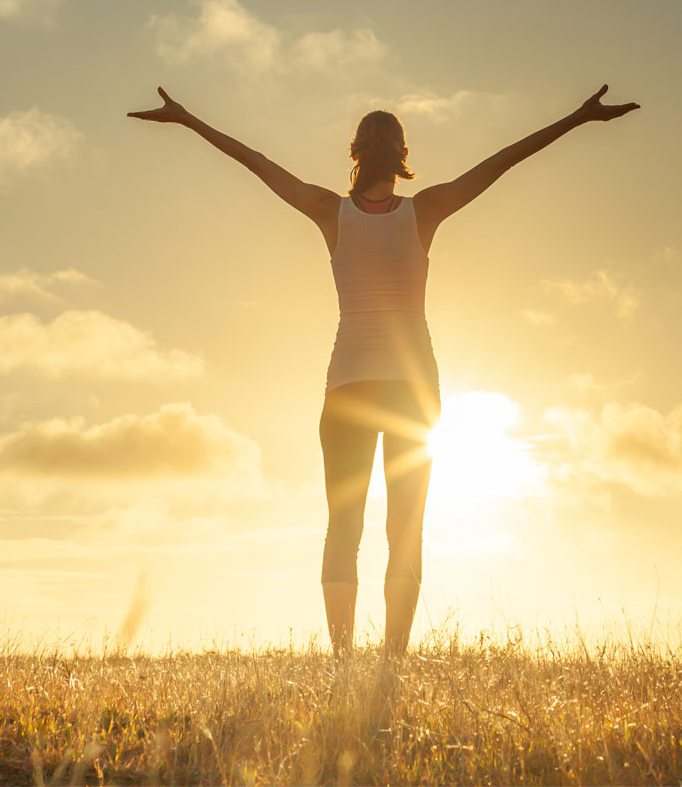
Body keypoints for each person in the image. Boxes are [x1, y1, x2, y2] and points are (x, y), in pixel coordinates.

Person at [127, 84, 640, 653]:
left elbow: (255, 162)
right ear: (401, 157)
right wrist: (576, 117)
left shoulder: (330, 212)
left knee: (343, 529)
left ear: (355, 155)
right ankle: (392, 659)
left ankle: (343, 660)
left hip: (347, 388)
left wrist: (189, 118)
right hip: (412, 391)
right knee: (405, 531)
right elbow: (504, 160)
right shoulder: (426, 211)